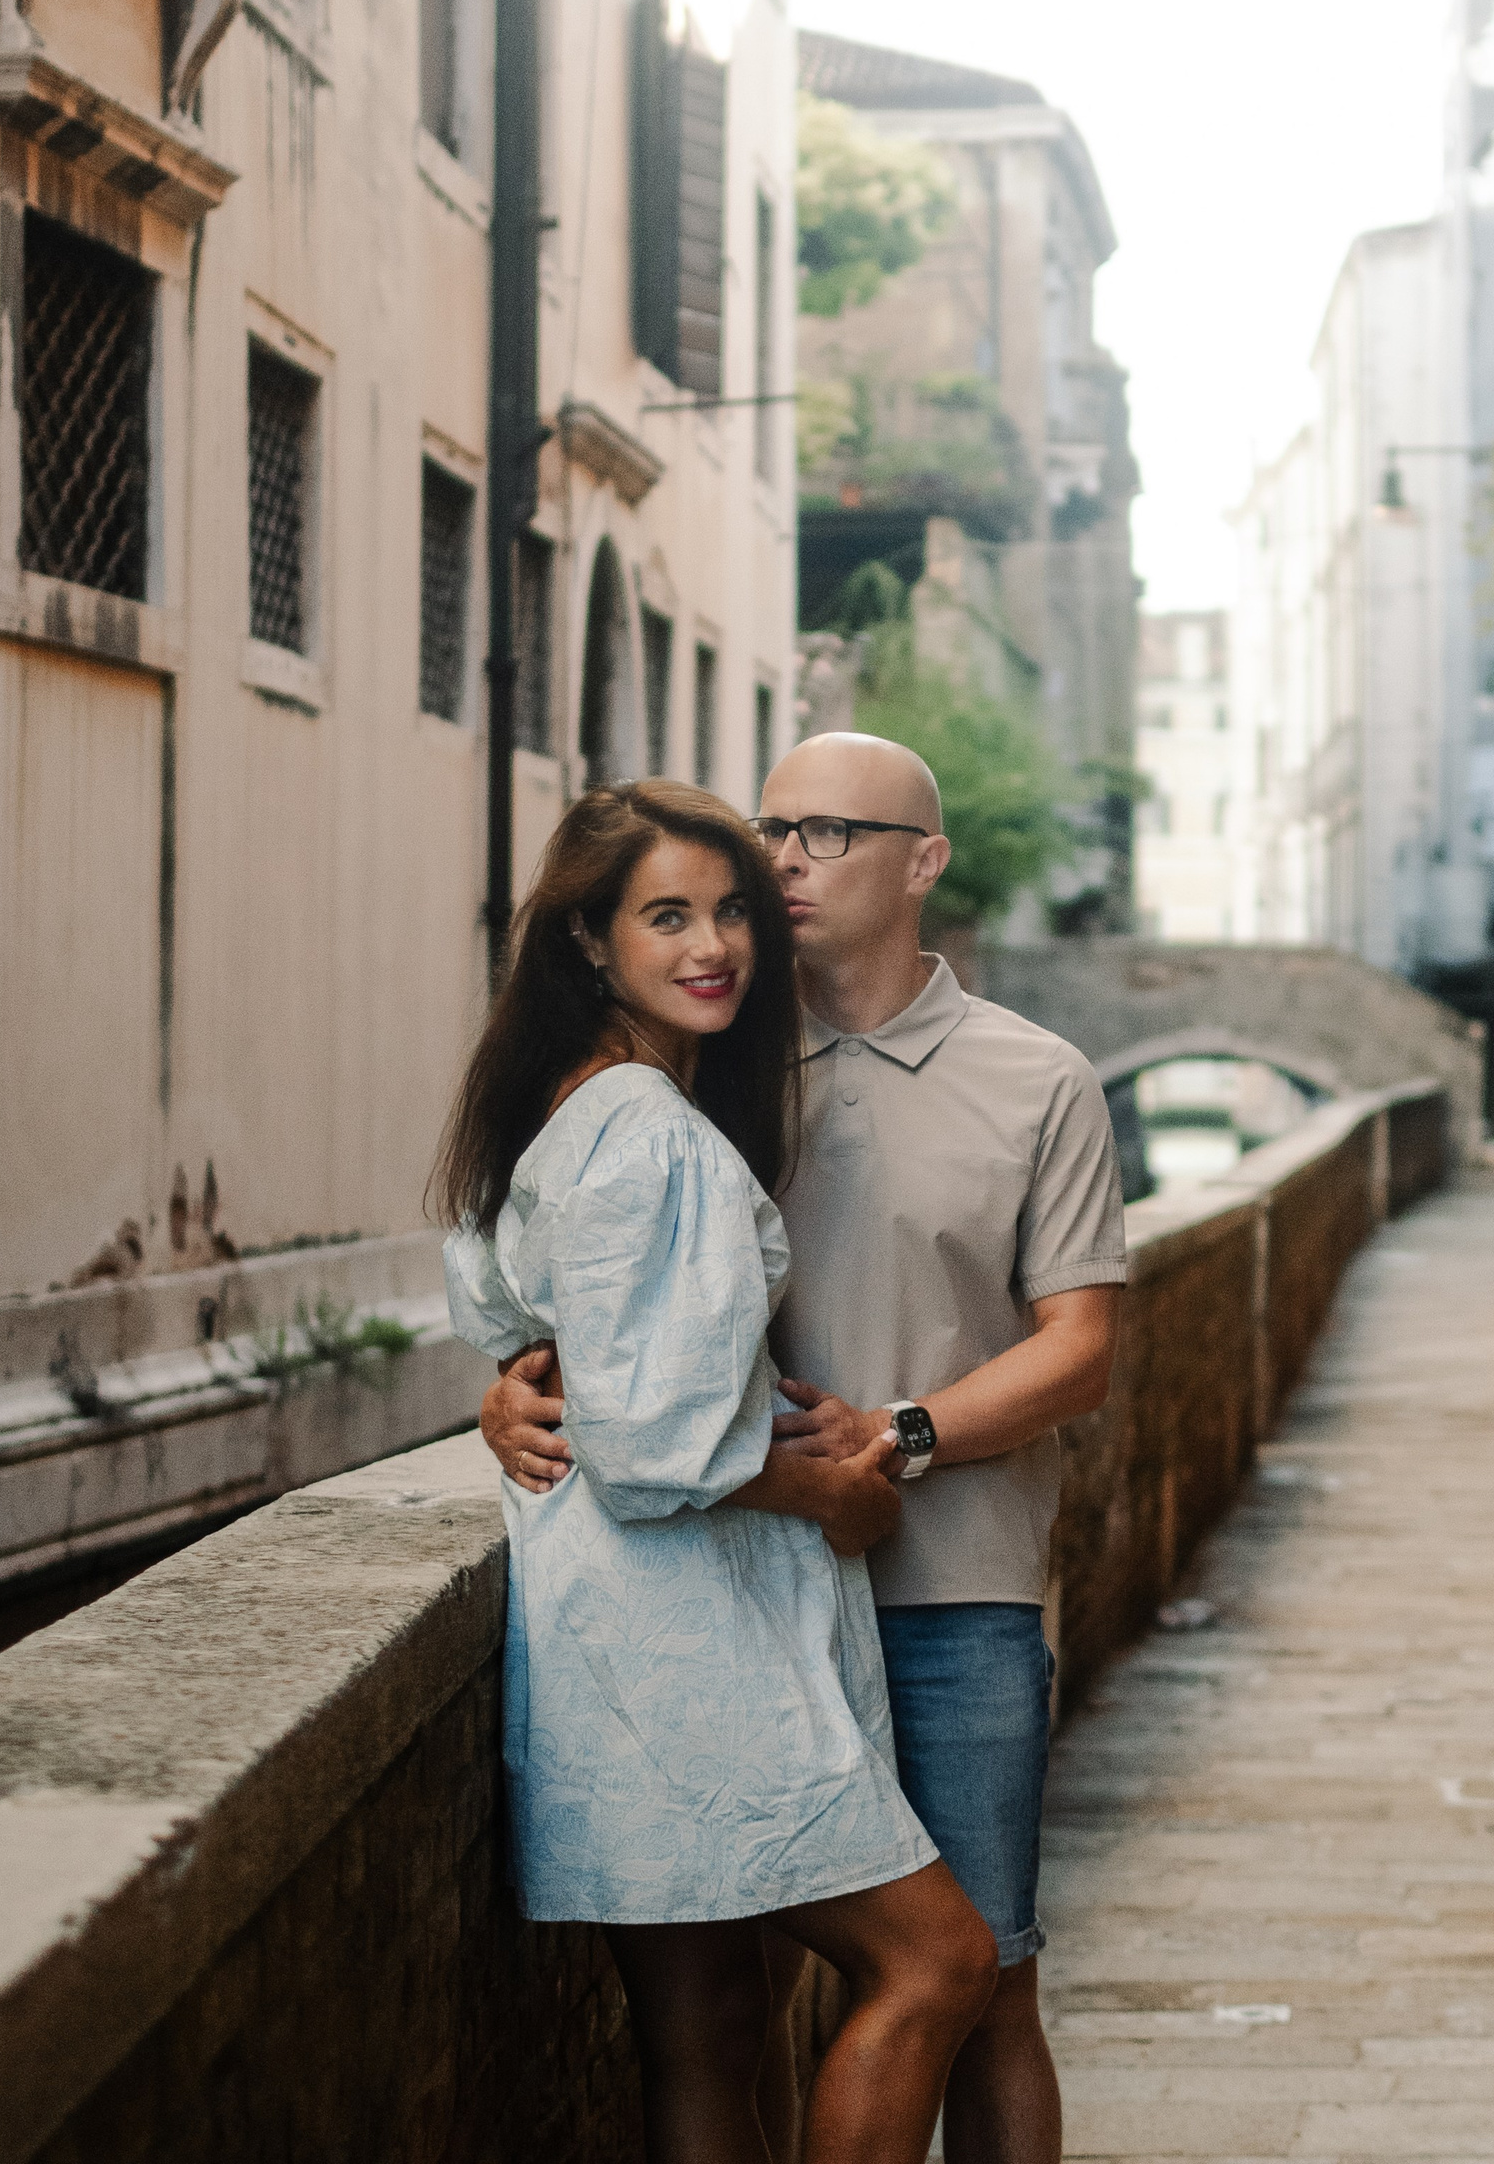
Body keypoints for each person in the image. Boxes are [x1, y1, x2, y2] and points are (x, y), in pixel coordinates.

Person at [483, 736, 1125, 2164]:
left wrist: (897, 1439)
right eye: (771, 825)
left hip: (949, 1590)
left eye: (828, 832)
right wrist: (512, 1388)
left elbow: (1081, 1347)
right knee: (740, 2009)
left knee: (986, 1979)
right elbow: (595, 1292)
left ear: (925, 861)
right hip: (738, 1596)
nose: (782, 861)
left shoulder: (1039, 1076)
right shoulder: (700, 1062)